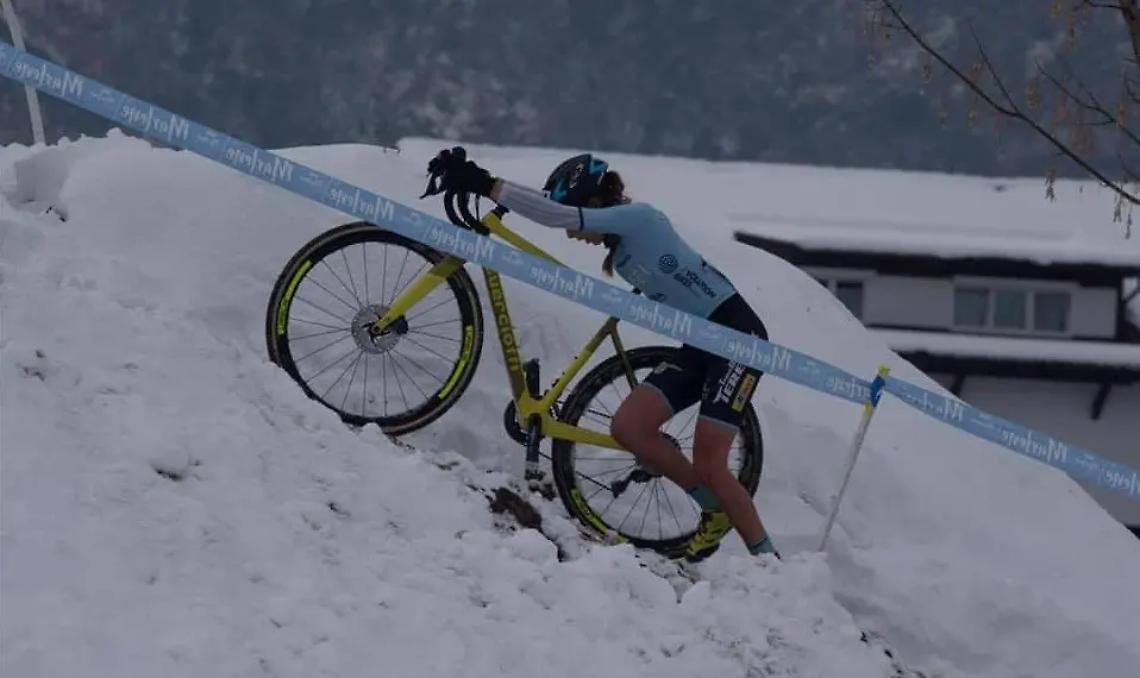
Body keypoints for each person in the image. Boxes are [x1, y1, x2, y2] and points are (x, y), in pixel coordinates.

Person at [427, 147, 778, 562]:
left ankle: (768, 562)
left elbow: (556, 215)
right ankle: (713, 510)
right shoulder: (624, 252)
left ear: (594, 202)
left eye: (576, 216)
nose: (572, 234)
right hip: (700, 345)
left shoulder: (640, 218)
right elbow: (556, 210)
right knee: (629, 428)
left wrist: (486, 185)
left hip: (737, 339)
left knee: (710, 463)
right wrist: (485, 180)